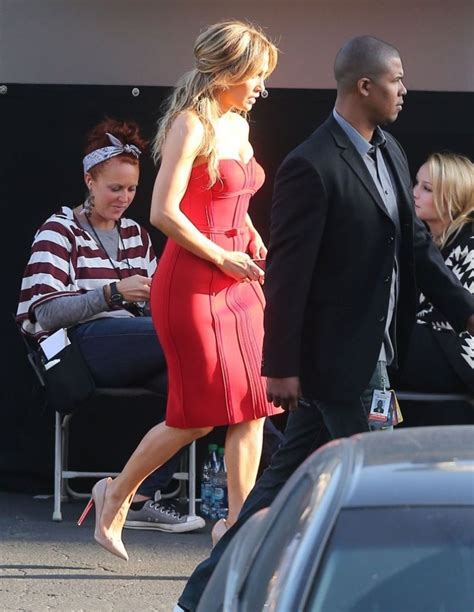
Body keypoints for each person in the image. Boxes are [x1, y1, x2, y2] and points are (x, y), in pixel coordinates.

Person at [176, 35, 474, 611]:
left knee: (273, 491)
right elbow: (288, 276)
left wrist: (465, 308)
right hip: (335, 364)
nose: (405, 91)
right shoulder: (309, 164)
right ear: (365, 86)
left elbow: (415, 246)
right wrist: (281, 366)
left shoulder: (389, 150)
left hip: (376, 353)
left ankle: (197, 600)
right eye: (397, 80)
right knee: (378, 493)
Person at [77, 21, 282, 560]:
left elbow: (225, 200)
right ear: (228, 72)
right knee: (198, 414)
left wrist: (250, 233)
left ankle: (237, 530)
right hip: (194, 281)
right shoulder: (193, 124)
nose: (262, 86)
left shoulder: (238, 123)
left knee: (252, 406)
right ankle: (115, 494)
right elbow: (163, 212)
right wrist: (222, 254)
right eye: (256, 75)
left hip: (237, 280)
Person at [16, 117, 204, 533]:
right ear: (89, 180)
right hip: (83, 349)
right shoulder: (60, 228)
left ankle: (135, 496)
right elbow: (43, 313)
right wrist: (113, 294)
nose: (124, 198)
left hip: (136, 344)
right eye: (114, 188)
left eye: (133, 189)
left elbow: (158, 304)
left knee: (196, 382)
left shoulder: (137, 233)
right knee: (197, 338)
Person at [394, 152, 474, 425]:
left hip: (456, 353)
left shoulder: (469, 245)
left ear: (452, 197)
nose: (414, 193)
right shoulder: (428, 243)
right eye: (416, 183)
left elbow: (453, 319)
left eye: (426, 188)